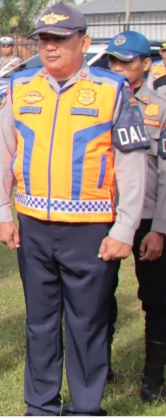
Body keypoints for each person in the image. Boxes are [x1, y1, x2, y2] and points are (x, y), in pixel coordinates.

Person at [0, 4, 149, 416]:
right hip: (34, 227)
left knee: (87, 323)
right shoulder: (21, 86)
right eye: (44, 39)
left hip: (91, 229)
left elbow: (132, 167)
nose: (50, 47)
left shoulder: (113, 90)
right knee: (40, 322)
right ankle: (41, 404)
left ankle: (85, 406)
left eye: (60, 40)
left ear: (84, 42)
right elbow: (5, 154)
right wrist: (1, 212)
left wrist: (125, 229)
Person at [102, 30, 166, 402]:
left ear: (146, 64)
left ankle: (153, 376)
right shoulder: (98, 102)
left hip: (146, 218)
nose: (118, 68)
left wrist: (159, 229)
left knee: (156, 299)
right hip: (104, 214)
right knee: (97, 296)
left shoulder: (160, 108)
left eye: (126, 61)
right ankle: (99, 366)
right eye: (113, 61)